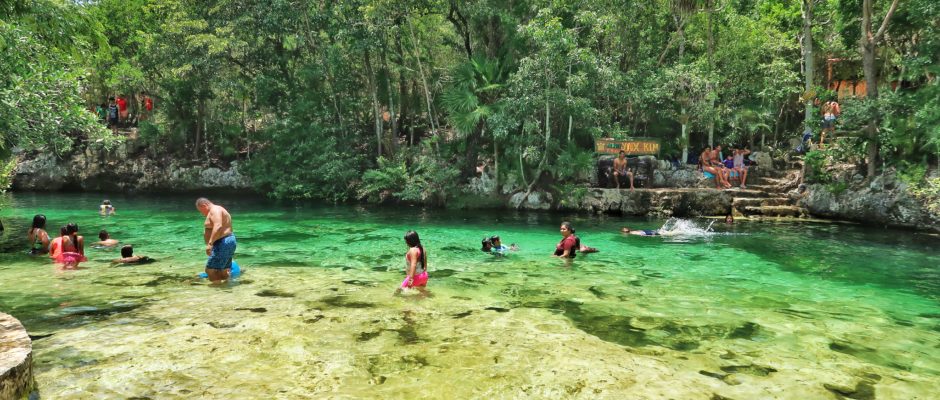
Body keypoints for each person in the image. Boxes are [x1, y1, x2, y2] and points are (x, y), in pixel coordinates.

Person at [196, 197, 236, 283]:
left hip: (223, 241)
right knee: (223, 269)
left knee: (210, 270)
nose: (202, 214)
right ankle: (225, 289)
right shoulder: (216, 210)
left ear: (204, 205)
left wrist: (210, 244)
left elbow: (218, 226)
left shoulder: (215, 210)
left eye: (201, 211)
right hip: (225, 241)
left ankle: (216, 290)